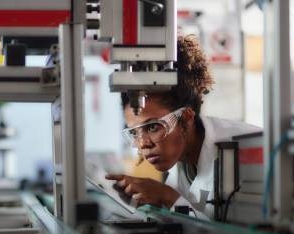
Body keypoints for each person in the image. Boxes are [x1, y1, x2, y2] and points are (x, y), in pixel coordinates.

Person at [107, 35, 261, 220]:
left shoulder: (245, 151)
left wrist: (168, 197)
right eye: (134, 132)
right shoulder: (181, 158)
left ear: (186, 118)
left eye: (153, 127)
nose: (142, 143)